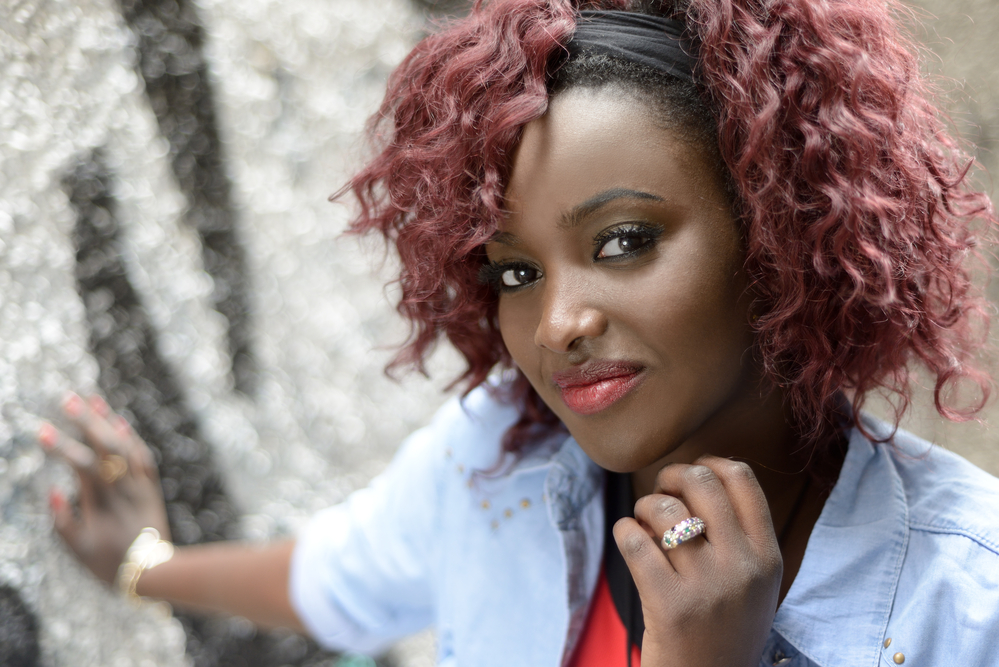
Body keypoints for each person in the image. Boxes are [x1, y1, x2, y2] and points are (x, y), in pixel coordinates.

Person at [37, 0, 999, 665]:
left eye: (624, 240)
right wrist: (143, 564)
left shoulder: (966, 603)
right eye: (515, 270)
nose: (557, 322)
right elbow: (338, 580)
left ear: (778, 228)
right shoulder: (499, 461)